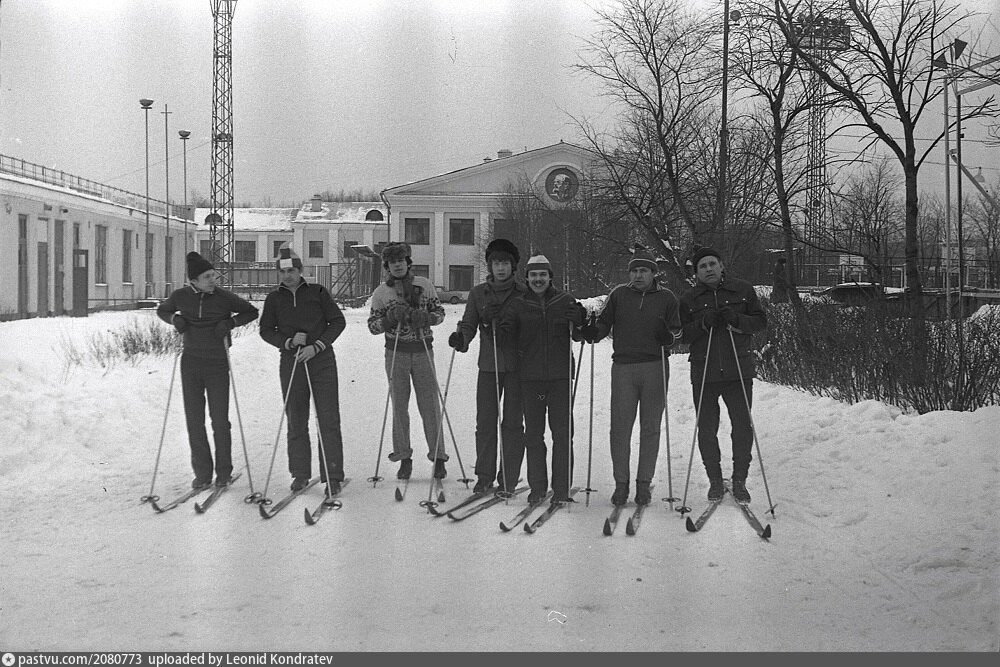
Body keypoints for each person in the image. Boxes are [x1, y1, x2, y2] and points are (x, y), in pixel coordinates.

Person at [580, 245, 682, 506]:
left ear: (653, 273)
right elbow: (604, 323)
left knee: (650, 427)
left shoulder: (667, 298)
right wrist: (594, 332)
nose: (638, 275)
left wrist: (669, 337)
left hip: (655, 366)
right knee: (620, 427)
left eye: (644, 270)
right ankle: (621, 484)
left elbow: (678, 332)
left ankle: (644, 484)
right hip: (624, 367)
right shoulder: (619, 295)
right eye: (634, 271)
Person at [157, 251, 259, 489]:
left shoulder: (223, 297)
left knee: (220, 420)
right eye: (207, 277)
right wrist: (175, 319)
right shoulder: (181, 296)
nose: (213, 280)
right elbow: (162, 310)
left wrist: (230, 323)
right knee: (194, 420)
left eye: (213, 275)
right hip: (191, 362)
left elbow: (251, 311)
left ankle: (223, 472)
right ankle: (202, 473)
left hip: (217, 362)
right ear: (193, 280)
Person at [678, 247, 766, 504]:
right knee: (706, 428)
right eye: (702, 266)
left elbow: (760, 322)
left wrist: (737, 320)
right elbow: (681, 335)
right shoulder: (689, 299)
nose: (708, 269)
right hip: (704, 370)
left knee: (742, 426)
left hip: (737, 369)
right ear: (696, 273)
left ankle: (740, 480)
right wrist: (703, 323)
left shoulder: (743, 290)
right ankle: (715, 480)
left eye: (712, 264)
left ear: (721, 266)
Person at [259, 244, 347, 495]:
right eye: (282, 271)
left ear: (300, 270)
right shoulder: (274, 298)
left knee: (328, 418)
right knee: (296, 418)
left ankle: (332, 475)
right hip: (292, 362)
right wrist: (287, 342)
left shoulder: (317, 292)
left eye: (292, 271)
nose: (287, 276)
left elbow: (337, 322)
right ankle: (300, 473)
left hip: (322, 361)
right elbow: (266, 330)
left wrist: (317, 346)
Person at [497, 254, 586, 504]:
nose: (538, 279)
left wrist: (580, 320)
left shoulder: (564, 300)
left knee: (562, 434)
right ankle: (537, 488)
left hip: (560, 378)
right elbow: (505, 338)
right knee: (534, 435)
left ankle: (561, 489)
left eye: (542, 275)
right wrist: (499, 326)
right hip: (531, 379)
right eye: (533, 275)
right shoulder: (518, 304)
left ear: (550, 277)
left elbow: (579, 335)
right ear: (526, 278)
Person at [448, 238, 527, 495]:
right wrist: (461, 339)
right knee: (485, 422)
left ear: (513, 266)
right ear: (490, 266)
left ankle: (509, 476)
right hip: (489, 366)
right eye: (496, 263)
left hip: (517, 367)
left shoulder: (523, 292)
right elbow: (469, 324)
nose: (500, 268)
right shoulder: (478, 293)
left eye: (505, 263)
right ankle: (484, 475)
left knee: (512, 424)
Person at [367, 242, 448, 481]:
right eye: (393, 262)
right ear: (387, 266)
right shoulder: (381, 293)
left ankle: (438, 457)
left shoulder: (424, 285)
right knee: (399, 407)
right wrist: (389, 320)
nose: (398, 265)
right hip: (396, 353)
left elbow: (440, 314)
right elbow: (373, 326)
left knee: (430, 406)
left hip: (423, 351)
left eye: (401, 260)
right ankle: (404, 457)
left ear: (408, 262)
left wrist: (427, 318)